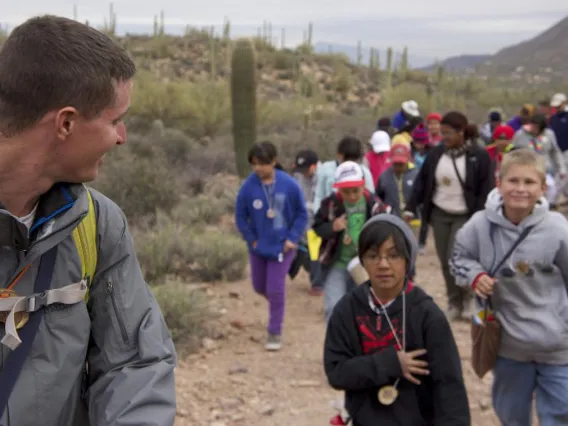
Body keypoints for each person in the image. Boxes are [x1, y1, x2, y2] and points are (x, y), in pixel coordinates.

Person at [0, 16, 177, 425]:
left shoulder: (96, 225)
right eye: (114, 120)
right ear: (66, 122)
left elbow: (133, 361)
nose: (121, 137)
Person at [450, 148, 568, 426]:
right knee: (512, 417)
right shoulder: (479, 226)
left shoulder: (557, 228)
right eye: (513, 181)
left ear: (542, 187)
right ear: (499, 183)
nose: (520, 189)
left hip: (557, 345)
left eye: (529, 183)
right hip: (507, 347)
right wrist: (475, 276)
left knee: (560, 416)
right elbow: (458, 259)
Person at [324, 214, 470, 426]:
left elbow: (449, 385)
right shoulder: (347, 310)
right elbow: (337, 373)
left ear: (408, 260)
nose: (383, 265)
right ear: (362, 261)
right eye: (373, 256)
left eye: (393, 256)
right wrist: (390, 363)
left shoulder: (427, 314)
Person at [404, 111, 494, 321]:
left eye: (448, 133)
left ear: (461, 132)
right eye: (442, 133)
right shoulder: (436, 154)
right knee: (445, 261)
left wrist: (482, 217)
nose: (444, 137)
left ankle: (469, 298)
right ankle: (454, 301)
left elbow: (485, 188)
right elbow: (422, 182)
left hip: (465, 216)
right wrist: (410, 207)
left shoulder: (478, 156)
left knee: (459, 258)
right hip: (439, 214)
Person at [235, 142, 308, 350]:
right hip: (258, 247)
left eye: (262, 164)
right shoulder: (248, 187)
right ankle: (279, 305)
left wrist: (292, 238)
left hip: (283, 248)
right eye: (254, 164)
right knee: (259, 286)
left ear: (274, 162)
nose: (257, 168)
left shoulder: (289, 185)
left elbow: (302, 214)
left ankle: (274, 331)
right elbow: (240, 216)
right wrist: (251, 239)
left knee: (275, 289)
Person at [313, 161, 388, 322]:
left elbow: (386, 229)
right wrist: (332, 227)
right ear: (338, 189)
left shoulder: (374, 204)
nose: (352, 196)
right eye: (346, 192)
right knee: (333, 306)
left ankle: (360, 342)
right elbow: (317, 226)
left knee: (364, 307)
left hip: (365, 264)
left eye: (356, 190)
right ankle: (336, 342)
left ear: (363, 185)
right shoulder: (330, 204)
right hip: (337, 263)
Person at [512, 113, 566, 206]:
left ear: (542, 129)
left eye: (536, 127)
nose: (533, 129)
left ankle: (545, 208)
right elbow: (512, 151)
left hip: (544, 170)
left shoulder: (549, 135)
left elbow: (555, 152)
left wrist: (561, 169)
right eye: (532, 125)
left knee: (550, 190)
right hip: (526, 169)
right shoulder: (520, 134)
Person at [291, 149, 324, 295]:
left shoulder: (323, 176)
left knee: (315, 252)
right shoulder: (298, 177)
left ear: (314, 166)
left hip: (318, 221)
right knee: (305, 253)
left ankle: (318, 284)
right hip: (303, 221)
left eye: (305, 169)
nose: (303, 173)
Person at [313, 136, 375, 209]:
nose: (349, 162)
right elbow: (319, 195)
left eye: (353, 160)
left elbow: (371, 195)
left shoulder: (364, 171)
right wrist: (318, 213)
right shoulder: (326, 169)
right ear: (339, 154)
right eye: (346, 159)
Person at [375, 145, 419, 217]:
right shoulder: (384, 177)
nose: (398, 167)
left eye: (401, 164)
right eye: (395, 163)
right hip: (392, 219)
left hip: (413, 219)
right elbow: (379, 197)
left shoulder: (415, 175)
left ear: (407, 160)